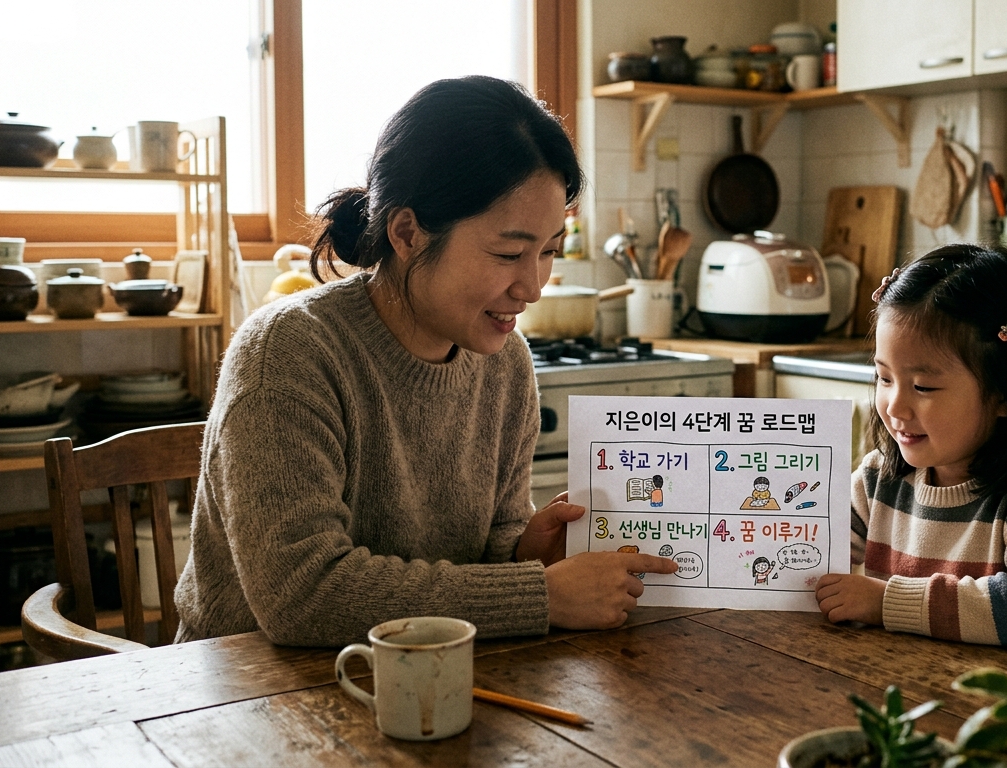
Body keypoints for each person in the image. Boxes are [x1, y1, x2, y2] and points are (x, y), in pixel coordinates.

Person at [173, 76, 676, 647]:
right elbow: (303, 594)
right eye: (510, 253)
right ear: (408, 233)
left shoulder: (504, 360)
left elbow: (487, 549)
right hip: (247, 695)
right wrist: (540, 594)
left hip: (431, 674)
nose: (533, 287)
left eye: (549, 251)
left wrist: (527, 550)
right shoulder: (289, 352)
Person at [813, 244, 1007, 648]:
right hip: (910, 698)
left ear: (1004, 392)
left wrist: (885, 603)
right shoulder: (881, 478)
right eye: (884, 378)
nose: (895, 406)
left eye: (923, 386)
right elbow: (805, 545)